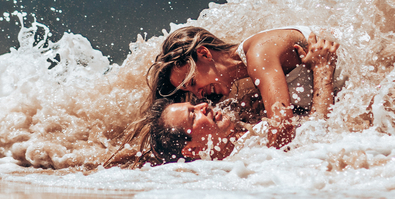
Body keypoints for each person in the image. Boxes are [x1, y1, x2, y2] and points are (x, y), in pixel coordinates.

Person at [108, 29, 339, 166]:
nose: (200, 98)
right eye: (191, 94)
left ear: (204, 53)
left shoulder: (259, 55)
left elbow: (283, 133)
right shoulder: (250, 78)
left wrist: (322, 70)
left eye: (192, 83)